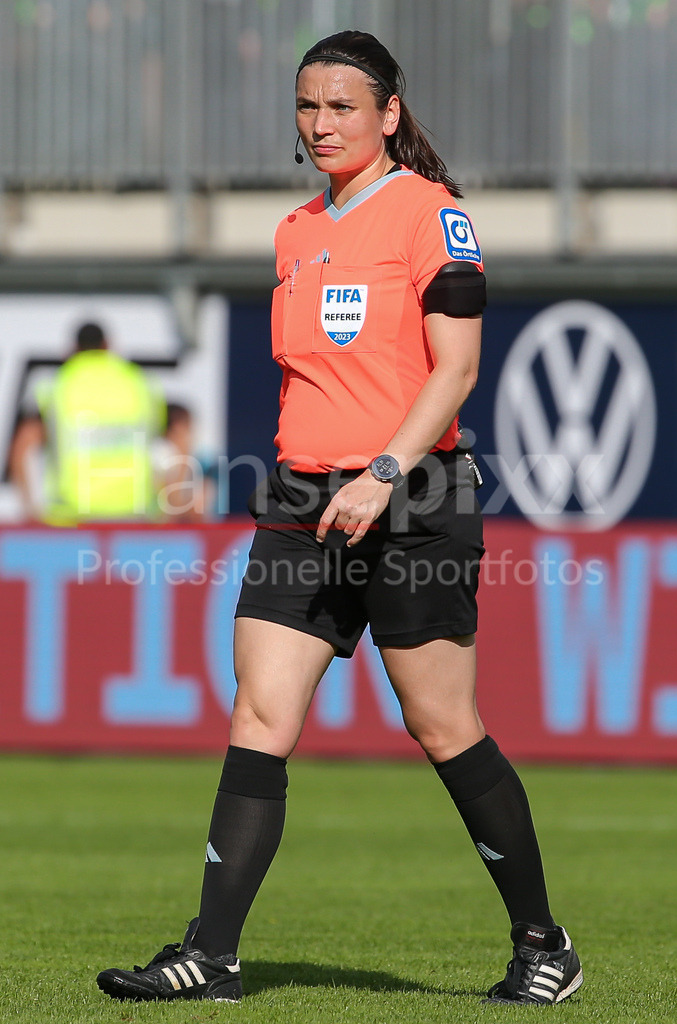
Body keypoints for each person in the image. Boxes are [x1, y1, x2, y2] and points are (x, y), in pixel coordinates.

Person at [96, 30, 582, 1006]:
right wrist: (317, 477)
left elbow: (455, 371)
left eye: (342, 107)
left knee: (441, 725)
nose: (320, 124)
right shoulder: (292, 231)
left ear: (388, 114)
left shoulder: (431, 217)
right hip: (300, 499)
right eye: (307, 106)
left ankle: (542, 944)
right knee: (259, 713)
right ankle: (211, 953)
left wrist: (383, 471)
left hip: (414, 497)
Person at [9, 322, 165, 524]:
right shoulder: (139, 383)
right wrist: (169, 506)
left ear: (73, 349)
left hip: (72, 517)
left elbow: (21, 448)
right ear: (108, 346)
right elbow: (172, 442)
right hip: (133, 514)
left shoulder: (57, 385)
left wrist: (29, 509)